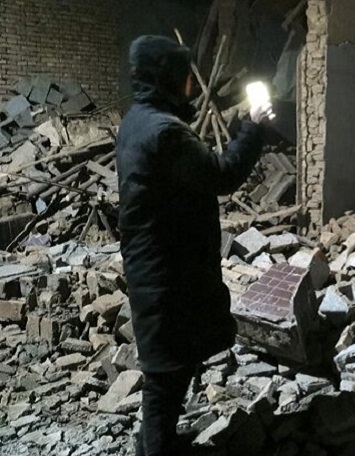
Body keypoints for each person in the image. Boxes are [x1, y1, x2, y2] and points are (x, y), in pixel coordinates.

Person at [116, 36, 272, 456]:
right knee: (166, 371)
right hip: (166, 270)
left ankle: (160, 441)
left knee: (171, 362)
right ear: (167, 77)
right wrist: (254, 127)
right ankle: (156, 447)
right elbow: (222, 174)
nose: (190, 85)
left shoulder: (138, 120)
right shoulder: (166, 133)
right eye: (185, 76)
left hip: (157, 261)